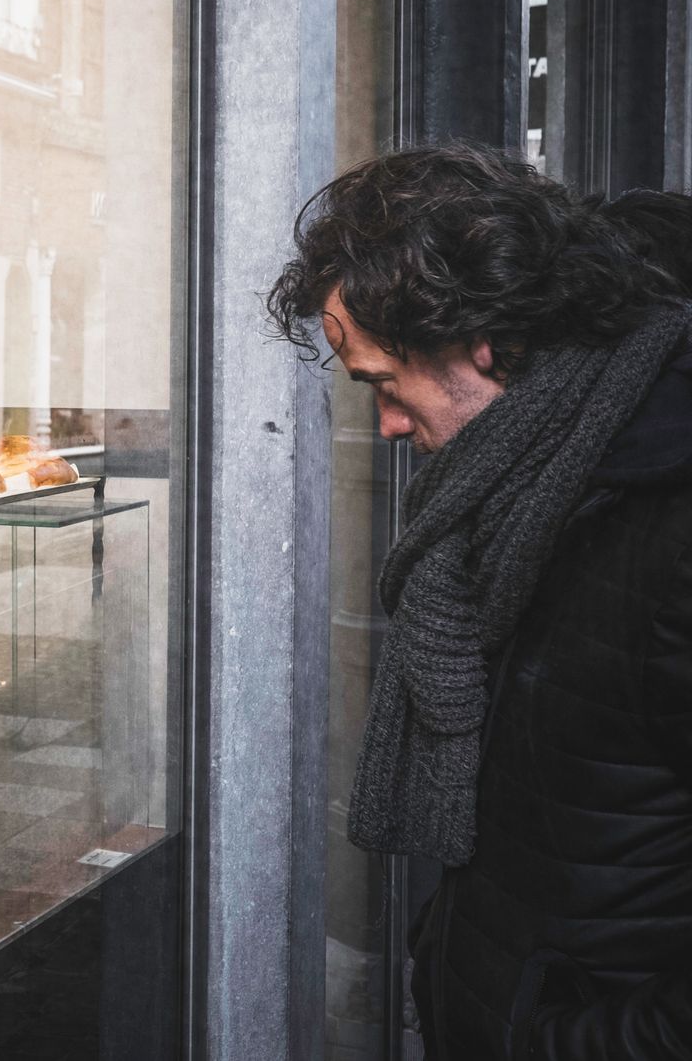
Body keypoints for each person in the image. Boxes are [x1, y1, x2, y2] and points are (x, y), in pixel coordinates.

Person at [268, 143, 692, 1059]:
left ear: (484, 342)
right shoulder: (526, 495)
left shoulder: (663, 532)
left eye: (385, 382)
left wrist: (569, 1042)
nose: (382, 423)